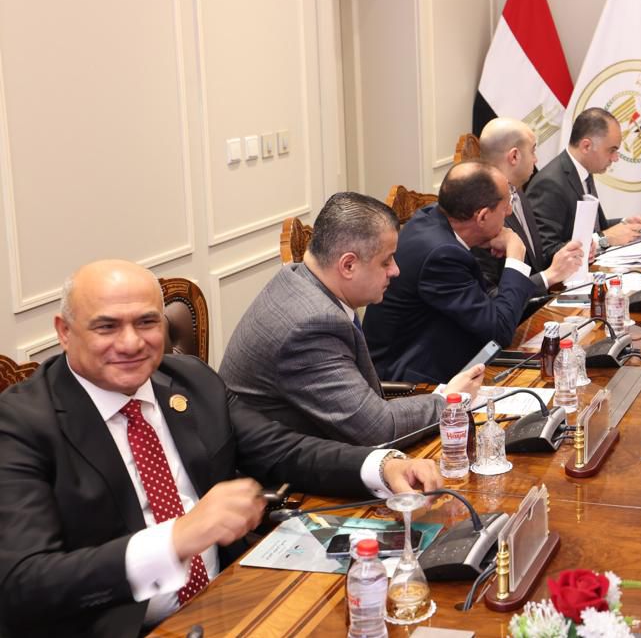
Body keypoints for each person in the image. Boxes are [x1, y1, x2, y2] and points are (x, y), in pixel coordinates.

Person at [0, 260, 444, 637]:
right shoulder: (20, 423)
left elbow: (282, 450)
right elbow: (23, 583)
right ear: (64, 331)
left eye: (147, 322)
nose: (132, 343)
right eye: (107, 326)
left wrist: (381, 465)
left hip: (231, 595)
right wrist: (177, 539)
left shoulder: (189, 379)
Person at [220, 192, 484, 446]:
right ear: (348, 265)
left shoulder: (303, 279)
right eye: (386, 261)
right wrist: (450, 400)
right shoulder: (310, 326)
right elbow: (376, 429)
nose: (396, 270)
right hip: (290, 471)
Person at [365, 161, 563, 383]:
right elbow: (499, 330)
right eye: (505, 207)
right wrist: (516, 255)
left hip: (449, 353)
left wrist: (481, 241)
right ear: (482, 216)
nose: (509, 212)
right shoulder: (441, 255)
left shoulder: (434, 218)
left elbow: (488, 307)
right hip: (415, 382)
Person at [472, 117, 584, 298]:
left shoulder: (517, 192)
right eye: (533, 151)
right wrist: (549, 276)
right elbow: (490, 297)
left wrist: (567, 254)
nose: (535, 159)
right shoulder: (482, 212)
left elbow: (534, 261)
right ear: (514, 156)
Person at [525, 108, 641, 258]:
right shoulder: (549, 184)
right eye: (611, 150)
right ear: (586, 146)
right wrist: (604, 239)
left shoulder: (584, 171)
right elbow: (546, 252)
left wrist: (625, 224)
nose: (615, 158)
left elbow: (595, 228)